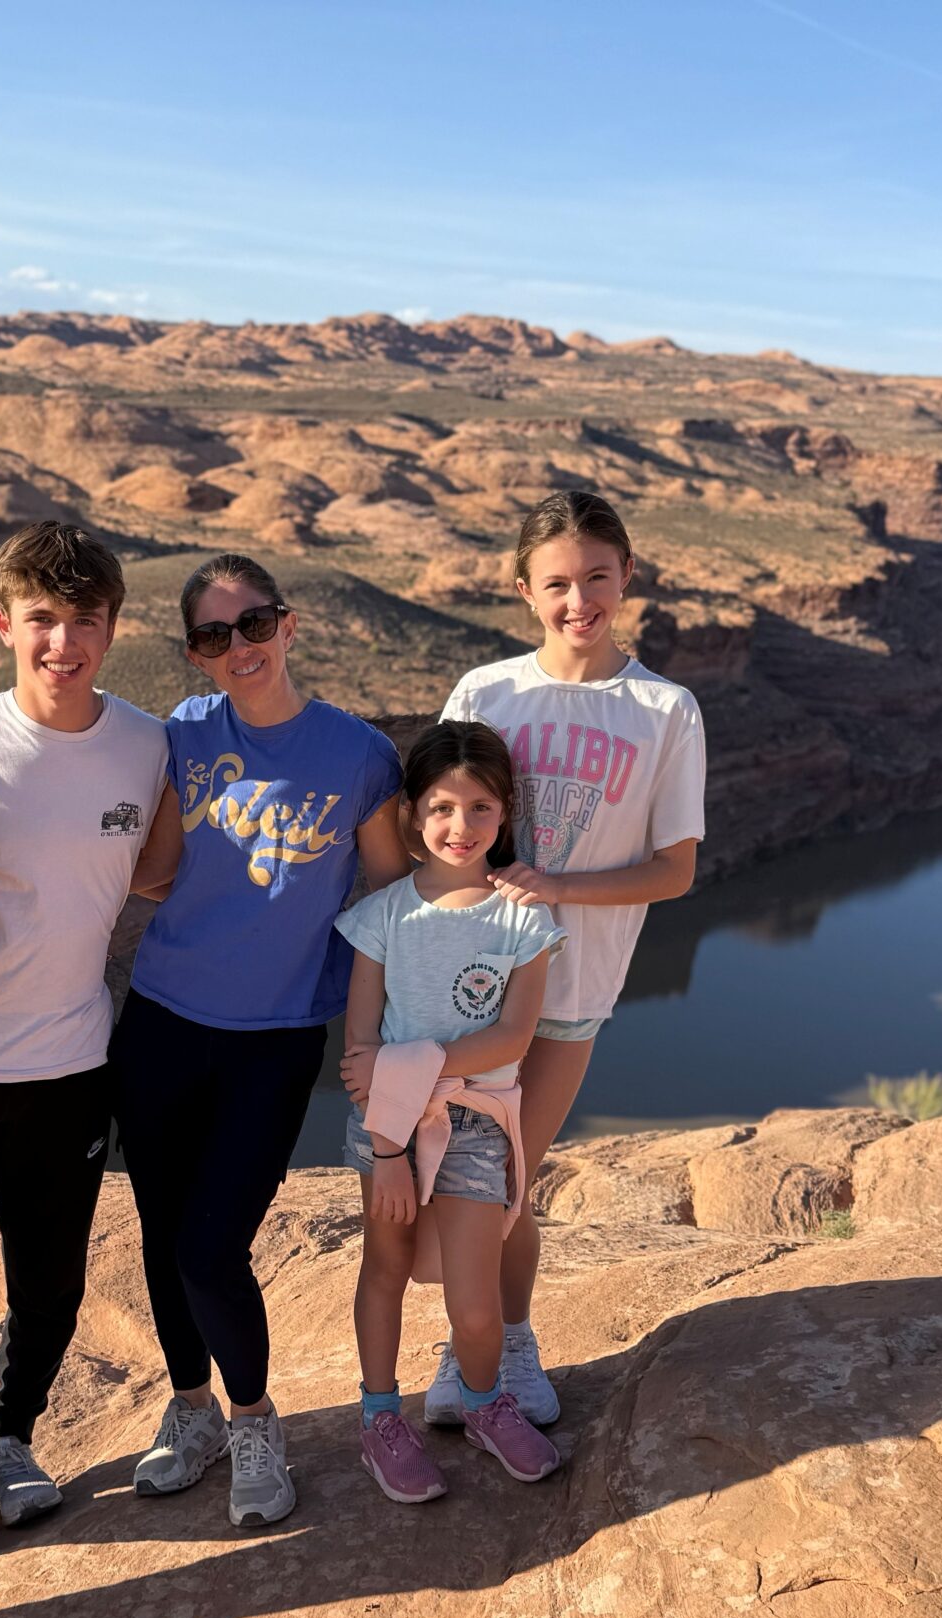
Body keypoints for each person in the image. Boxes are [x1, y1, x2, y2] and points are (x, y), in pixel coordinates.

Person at [115, 553, 407, 1526]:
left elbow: (387, 897)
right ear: (195, 654)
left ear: (288, 625)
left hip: (274, 1040)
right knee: (164, 1237)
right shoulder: (183, 736)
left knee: (211, 1247)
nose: (237, 647)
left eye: (252, 624)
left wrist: (379, 1029)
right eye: (213, 635)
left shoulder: (359, 755)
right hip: (161, 1020)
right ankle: (190, 1410)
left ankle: (252, 1421)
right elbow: (155, 870)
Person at [0, 522, 169, 1568]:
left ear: (113, 627)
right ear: (3, 624)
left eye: (84, 620)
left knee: (50, 1278)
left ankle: (12, 1440)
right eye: (42, 620)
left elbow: (160, 873)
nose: (64, 642)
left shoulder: (146, 746)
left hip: (72, 1065)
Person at [425, 490, 706, 1428]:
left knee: (506, 1178)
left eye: (596, 577)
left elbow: (674, 871)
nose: (578, 600)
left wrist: (556, 888)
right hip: (470, 980)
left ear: (627, 576)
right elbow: (439, 824)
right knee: (468, 1180)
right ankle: (477, 1347)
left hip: (574, 985)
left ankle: (504, 1345)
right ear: (523, 590)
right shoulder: (486, 693)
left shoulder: (665, 710)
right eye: (556, 584)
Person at [338, 722, 564, 1501]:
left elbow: (513, 1036)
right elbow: (359, 1051)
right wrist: (389, 1150)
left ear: (505, 813)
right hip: (389, 1128)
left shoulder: (523, 919)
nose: (459, 826)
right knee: (386, 1270)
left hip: (475, 1123)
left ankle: (482, 1403)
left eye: (479, 808)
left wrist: (411, 1067)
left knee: (475, 1305)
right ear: (411, 812)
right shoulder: (384, 916)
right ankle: (379, 1420)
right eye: (440, 807)